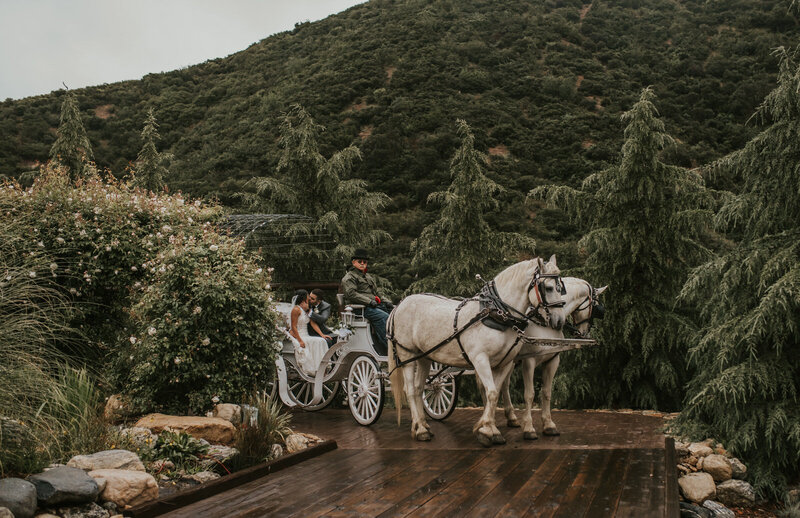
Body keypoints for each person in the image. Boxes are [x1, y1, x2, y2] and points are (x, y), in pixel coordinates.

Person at [341, 249, 393, 355]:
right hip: (360, 309)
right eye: (360, 261)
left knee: (394, 314)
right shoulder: (349, 277)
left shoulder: (368, 277)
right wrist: (369, 301)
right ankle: (389, 347)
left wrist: (388, 302)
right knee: (383, 317)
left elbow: (377, 293)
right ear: (353, 262)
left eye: (365, 262)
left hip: (372, 306)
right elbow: (351, 294)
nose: (362, 263)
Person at [288, 289, 330, 376]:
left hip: (306, 335)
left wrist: (322, 335)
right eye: (308, 295)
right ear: (303, 297)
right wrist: (300, 340)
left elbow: (313, 323)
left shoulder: (306, 308)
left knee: (322, 341)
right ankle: (316, 370)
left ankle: (322, 368)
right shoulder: (296, 309)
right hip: (300, 335)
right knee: (317, 342)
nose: (309, 298)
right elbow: (294, 327)